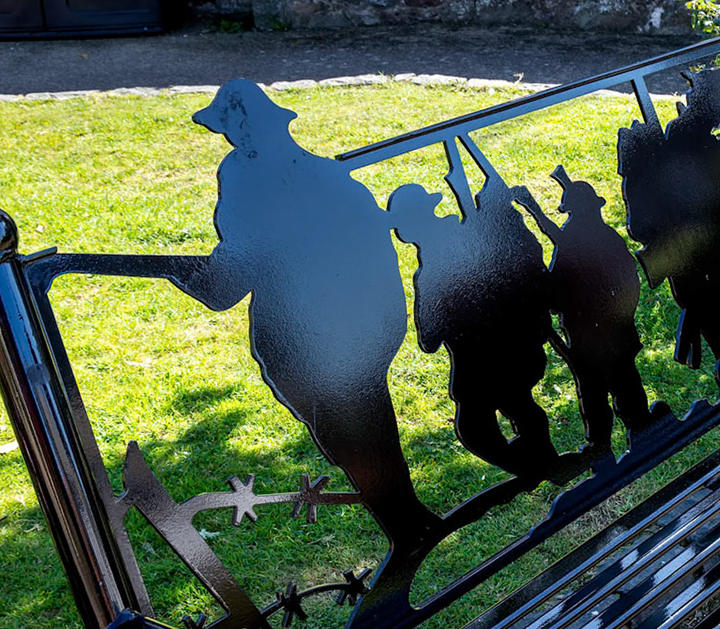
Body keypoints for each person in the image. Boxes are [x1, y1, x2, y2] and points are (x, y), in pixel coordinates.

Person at [171, 78, 439, 553]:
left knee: (351, 434)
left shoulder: (249, 179)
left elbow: (228, 281)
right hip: (353, 334)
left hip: (317, 340)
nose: (233, 138)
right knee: (362, 431)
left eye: (236, 128)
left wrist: (187, 274)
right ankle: (410, 520)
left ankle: (407, 525)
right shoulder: (325, 174)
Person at [389, 137, 562, 480]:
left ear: (407, 231)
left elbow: (429, 339)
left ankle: (533, 468)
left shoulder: (433, 268)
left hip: (486, 364)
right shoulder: (467, 233)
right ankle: (542, 465)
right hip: (512, 351)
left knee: (476, 427)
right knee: (520, 407)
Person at [511, 167, 669, 455]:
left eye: (571, 213)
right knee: (605, 388)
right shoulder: (595, 238)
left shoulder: (587, 240)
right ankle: (609, 440)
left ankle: (623, 435)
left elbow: (557, 262)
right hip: (600, 334)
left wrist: (531, 205)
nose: (570, 219)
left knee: (608, 388)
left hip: (599, 334)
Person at [616, 68, 720, 382]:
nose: (719, 119)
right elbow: (697, 200)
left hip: (706, 251)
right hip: (692, 254)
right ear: (708, 108)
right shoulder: (688, 141)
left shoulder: (695, 139)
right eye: (718, 111)